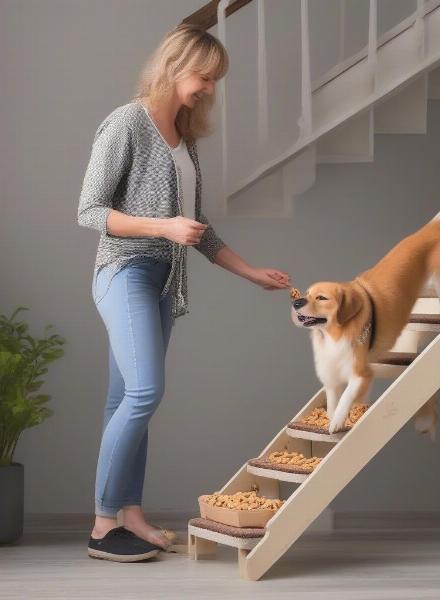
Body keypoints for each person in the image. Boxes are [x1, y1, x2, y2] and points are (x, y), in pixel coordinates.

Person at [78, 23, 291, 562]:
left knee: (124, 402)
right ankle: (104, 525)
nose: (210, 90)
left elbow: (198, 228)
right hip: (124, 273)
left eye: (216, 81)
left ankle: (129, 513)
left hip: (163, 282)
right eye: (205, 77)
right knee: (144, 392)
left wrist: (251, 272)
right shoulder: (126, 123)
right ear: (175, 67)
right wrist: (162, 227)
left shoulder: (185, 140)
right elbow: (90, 212)